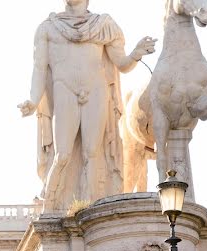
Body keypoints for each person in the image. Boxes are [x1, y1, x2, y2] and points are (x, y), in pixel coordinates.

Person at [18, 0, 156, 212]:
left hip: (96, 91)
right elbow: (39, 69)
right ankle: (50, 205)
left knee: (92, 152)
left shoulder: (103, 25)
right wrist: (33, 100)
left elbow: (121, 63)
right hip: (64, 90)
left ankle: (90, 210)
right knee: (62, 153)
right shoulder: (48, 28)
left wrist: (136, 54)